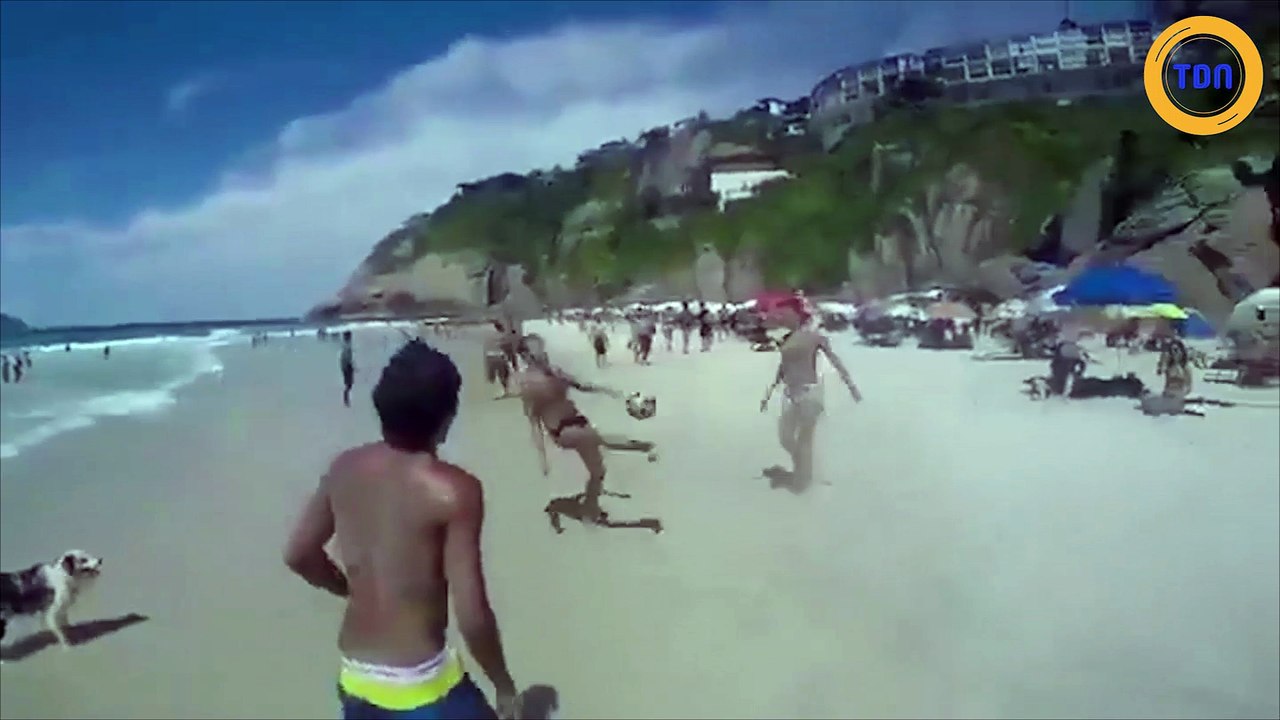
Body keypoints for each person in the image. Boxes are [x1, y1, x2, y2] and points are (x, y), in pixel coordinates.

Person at [283, 341, 518, 720]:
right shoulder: (454, 491)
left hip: (355, 677)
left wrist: (346, 586)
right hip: (420, 685)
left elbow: (299, 555)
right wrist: (503, 685)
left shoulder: (345, 467)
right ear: (448, 414)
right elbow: (472, 613)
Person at [516, 334, 656, 523]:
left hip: (578, 421)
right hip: (563, 431)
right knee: (596, 437)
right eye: (536, 350)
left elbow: (584, 385)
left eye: (542, 348)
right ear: (525, 355)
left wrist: (614, 391)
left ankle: (590, 509)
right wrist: (542, 456)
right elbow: (534, 421)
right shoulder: (528, 383)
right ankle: (644, 447)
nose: (542, 353)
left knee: (598, 472)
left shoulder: (555, 371)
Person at [759, 297, 861, 491]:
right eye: (782, 314)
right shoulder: (787, 338)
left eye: (787, 313)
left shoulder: (815, 337)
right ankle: (804, 473)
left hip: (810, 391)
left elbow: (835, 360)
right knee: (785, 437)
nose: (783, 317)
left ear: (799, 315)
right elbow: (783, 366)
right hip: (790, 392)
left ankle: (802, 479)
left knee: (805, 438)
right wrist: (770, 391)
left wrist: (851, 386)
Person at [483, 321, 514, 399]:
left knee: (492, 375)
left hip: (490, 357)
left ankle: (495, 392)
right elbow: (507, 348)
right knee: (503, 374)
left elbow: (486, 349)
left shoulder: (487, 337)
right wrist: (511, 359)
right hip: (499, 356)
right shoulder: (502, 336)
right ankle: (505, 390)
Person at [340, 331, 356, 408]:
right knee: (349, 384)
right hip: (347, 366)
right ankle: (346, 399)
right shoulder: (347, 346)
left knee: (349, 384)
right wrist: (350, 366)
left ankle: (346, 399)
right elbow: (346, 357)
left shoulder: (345, 345)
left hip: (346, 366)